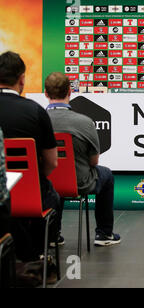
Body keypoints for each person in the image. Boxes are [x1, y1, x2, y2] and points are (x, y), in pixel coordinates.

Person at [44, 72, 120, 247]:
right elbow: (94, 162)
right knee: (106, 174)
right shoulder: (85, 122)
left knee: (56, 176)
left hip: (46, 183)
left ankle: (53, 234)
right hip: (80, 182)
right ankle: (104, 234)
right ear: (70, 92)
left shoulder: (38, 120)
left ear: (46, 94)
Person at [0, 51, 61, 261]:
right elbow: (52, 162)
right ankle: (34, 257)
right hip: (29, 196)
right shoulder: (35, 111)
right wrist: (35, 178)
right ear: (22, 79)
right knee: (52, 196)